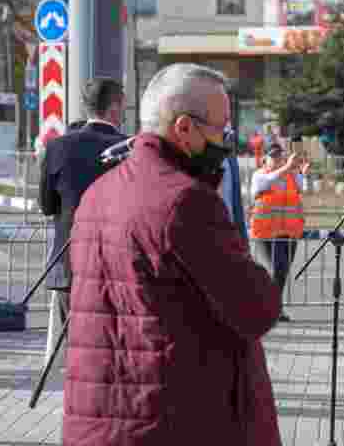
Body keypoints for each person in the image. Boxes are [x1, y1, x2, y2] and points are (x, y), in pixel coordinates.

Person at [61, 64, 282, 445]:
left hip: (102, 419)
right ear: (184, 128)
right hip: (175, 419)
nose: (227, 140)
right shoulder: (187, 201)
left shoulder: (98, 194)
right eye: (221, 128)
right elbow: (256, 307)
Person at [38, 78, 127, 369]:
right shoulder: (128, 149)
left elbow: (47, 205)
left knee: (77, 348)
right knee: (111, 347)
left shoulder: (58, 147)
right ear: (115, 108)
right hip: (115, 264)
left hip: (68, 262)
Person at [250, 141, 309, 323]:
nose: (277, 159)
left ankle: (274, 307)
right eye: (273, 156)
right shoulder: (260, 175)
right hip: (266, 232)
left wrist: (301, 172)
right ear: (265, 159)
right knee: (279, 267)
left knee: (281, 272)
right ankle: (272, 309)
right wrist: (287, 168)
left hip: (290, 231)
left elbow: (304, 188)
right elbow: (268, 181)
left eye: (280, 156)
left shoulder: (290, 175)